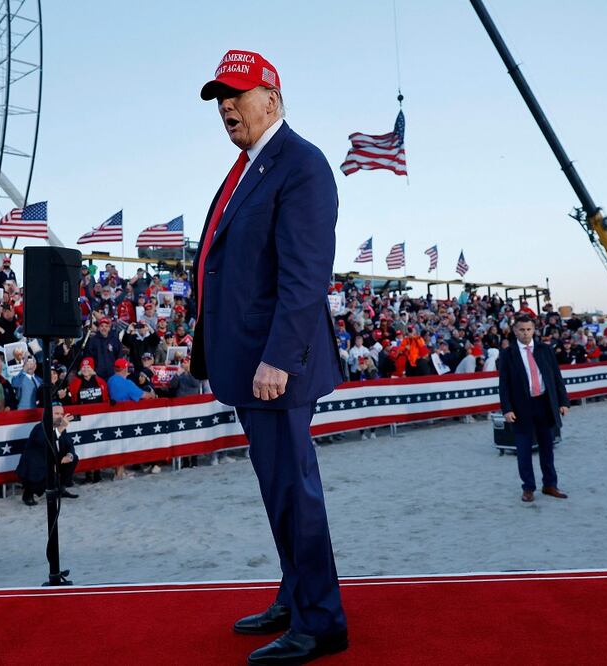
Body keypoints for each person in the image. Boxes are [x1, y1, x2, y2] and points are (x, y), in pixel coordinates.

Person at [191, 51, 348, 664]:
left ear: (272, 99)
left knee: (294, 492)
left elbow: (305, 276)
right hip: (249, 363)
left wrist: (280, 357)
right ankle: (294, 593)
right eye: (218, 97)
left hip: (276, 367)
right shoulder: (249, 168)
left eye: (236, 93)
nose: (226, 105)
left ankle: (322, 621)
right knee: (277, 490)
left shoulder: (301, 166)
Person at [498, 314, 571, 503]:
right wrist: (507, 408)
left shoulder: (545, 350)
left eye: (529, 329)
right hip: (521, 407)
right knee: (523, 451)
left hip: (544, 403)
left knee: (547, 447)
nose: (525, 333)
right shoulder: (508, 354)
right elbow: (503, 384)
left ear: (534, 330)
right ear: (515, 331)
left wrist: (563, 402)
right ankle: (528, 488)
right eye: (521, 330)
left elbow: (556, 377)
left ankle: (550, 485)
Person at [15, 403, 80, 506]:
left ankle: (61, 489)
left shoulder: (61, 428)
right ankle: (28, 494)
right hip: (37, 465)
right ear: (48, 414)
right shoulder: (40, 428)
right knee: (41, 475)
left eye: (61, 414)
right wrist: (61, 428)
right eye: (57, 413)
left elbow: (70, 445)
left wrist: (69, 455)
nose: (60, 416)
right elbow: (46, 442)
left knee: (74, 458)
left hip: (52, 460)